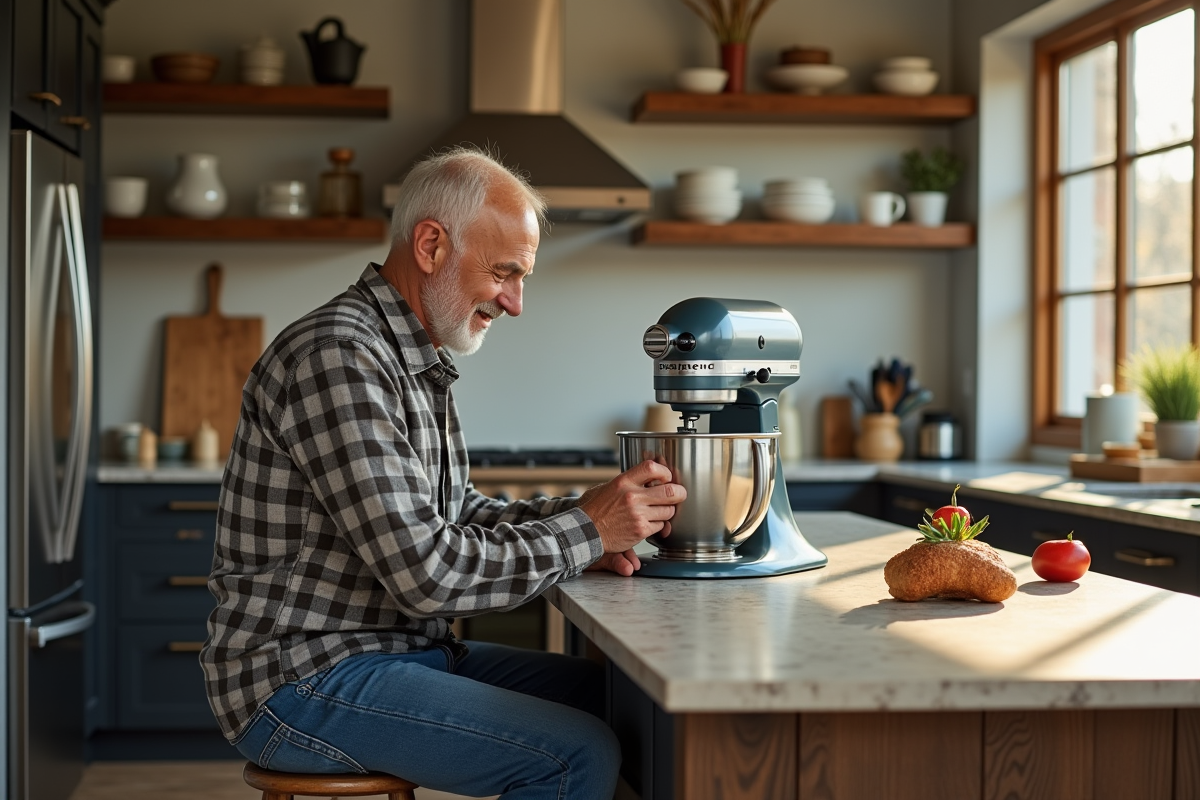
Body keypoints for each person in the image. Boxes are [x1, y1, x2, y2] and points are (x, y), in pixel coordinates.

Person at [200, 147, 686, 800]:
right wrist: (585, 534)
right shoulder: (338, 356)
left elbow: (453, 517)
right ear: (430, 244)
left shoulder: (414, 360)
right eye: (505, 272)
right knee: (575, 754)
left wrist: (586, 523)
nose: (515, 303)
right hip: (302, 677)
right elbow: (428, 575)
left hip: (392, 653)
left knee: (635, 705)